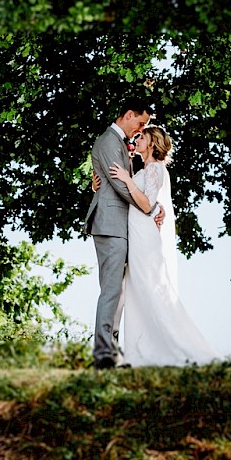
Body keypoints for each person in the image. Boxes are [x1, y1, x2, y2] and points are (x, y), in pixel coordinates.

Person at [101, 124, 215, 367]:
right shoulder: (145, 168)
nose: (137, 139)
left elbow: (146, 203)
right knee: (137, 290)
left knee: (150, 288)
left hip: (145, 239)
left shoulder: (155, 169)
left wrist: (125, 179)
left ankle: (180, 347)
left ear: (152, 143)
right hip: (138, 234)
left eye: (142, 137)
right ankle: (141, 350)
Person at [83, 97, 154, 368]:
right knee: (112, 290)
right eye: (140, 122)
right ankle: (102, 356)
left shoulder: (118, 143)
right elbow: (119, 184)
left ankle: (110, 353)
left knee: (119, 292)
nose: (141, 128)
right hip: (111, 224)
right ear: (128, 114)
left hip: (119, 224)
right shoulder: (109, 141)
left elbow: (111, 181)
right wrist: (149, 206)